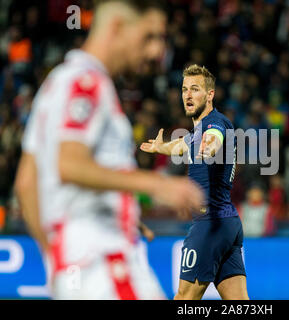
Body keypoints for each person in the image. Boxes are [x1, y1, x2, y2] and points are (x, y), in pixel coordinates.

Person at [14, 0, 204, 300]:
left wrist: (60, 260)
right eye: (149, 37)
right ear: (117, 27)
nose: (157, 52)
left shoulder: (57, 82)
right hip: (104, 263)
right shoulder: (87, 84)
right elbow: (69, 164)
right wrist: (157, 184)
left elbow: (27, 183)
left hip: (80, 267)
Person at [140, 64, 249, 300]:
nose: (188, 95)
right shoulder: (196, 132)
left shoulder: (214, 123)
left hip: (210, 224)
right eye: (184, 89)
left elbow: (214, 138)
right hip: (228, 223)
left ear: (210, 95)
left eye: (195, 89)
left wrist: (210, 147)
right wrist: (161, 147)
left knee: (183, 299)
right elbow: (182, 145)